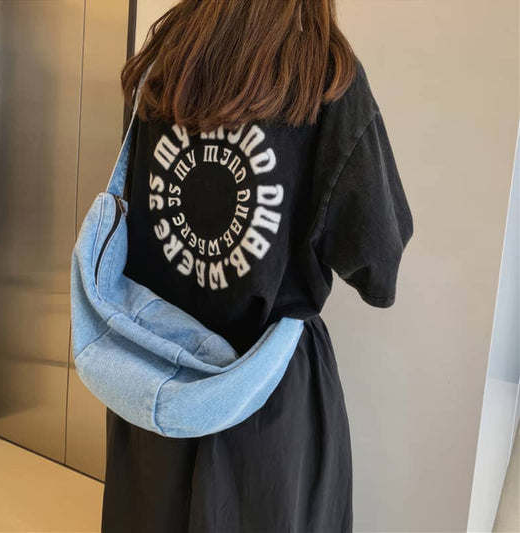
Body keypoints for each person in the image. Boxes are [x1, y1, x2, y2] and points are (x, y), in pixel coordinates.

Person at [100, 1, 414, 532]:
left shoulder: (165, 60)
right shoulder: (323, 76)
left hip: (155, 382)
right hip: (267, 406)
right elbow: (377, 263)